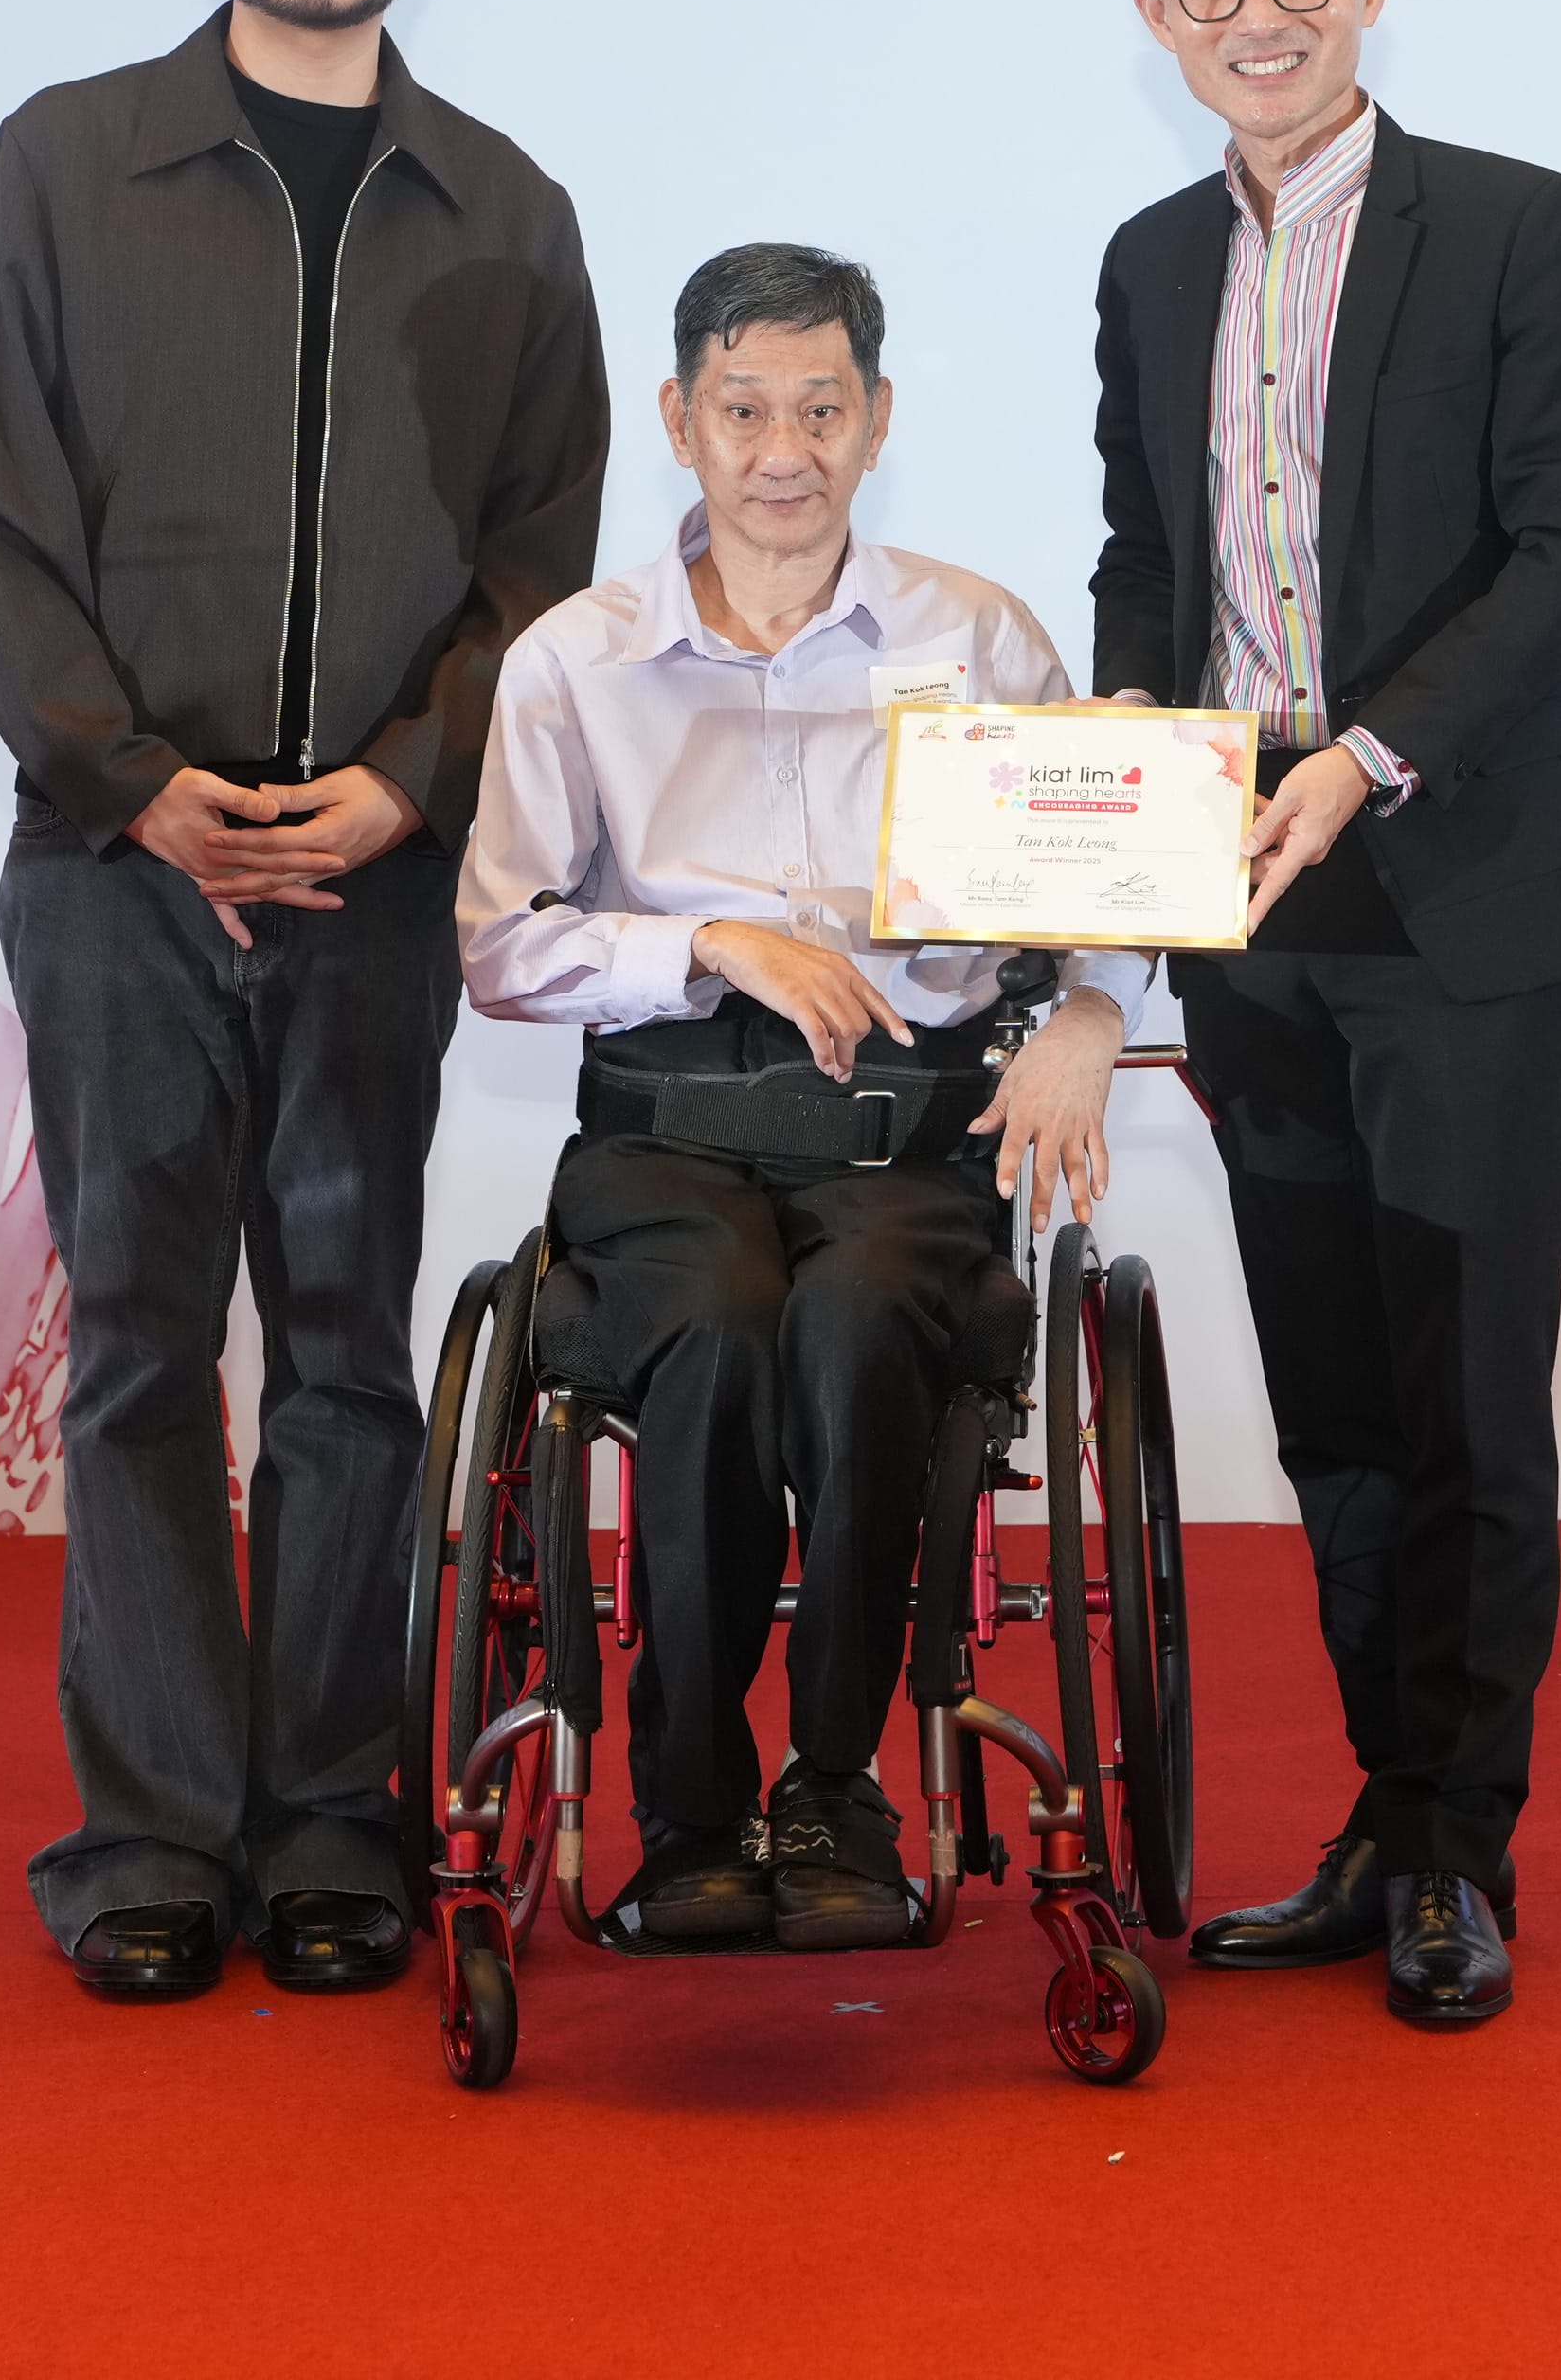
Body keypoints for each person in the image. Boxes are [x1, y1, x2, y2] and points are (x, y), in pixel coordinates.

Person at [0, 0, 607, 2005]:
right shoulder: (66, 164)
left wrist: (410, 781)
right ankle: (146, 1834)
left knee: (342, 1353)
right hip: (122, 874)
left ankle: (331, 1816)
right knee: (136, 1350)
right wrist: (137, 785)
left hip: (375, 880)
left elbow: (545, 565)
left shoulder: (507, 210)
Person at [1086, 0, 1561, 2031]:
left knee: (1465, 1400)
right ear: (1156, 15)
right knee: (1328, 1404)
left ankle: (1458, 1851)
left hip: (1465, 903)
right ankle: (1384, 1809)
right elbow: (1148, 559)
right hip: (1251, 918)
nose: (1260, 17)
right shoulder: (1145, 260)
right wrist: (1125, 809)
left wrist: (1361, 752)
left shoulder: (1517, 228)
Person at [459, 243, 1139, 1945]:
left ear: (879, 420)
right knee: (710, 1328)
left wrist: (1095, 1013)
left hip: (905, 1132)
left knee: (850, 1334)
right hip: (667, 1126)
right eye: (745, 408)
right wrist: (711, 947)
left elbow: (1111, 875)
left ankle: (837, 1793)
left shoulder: (975, 635)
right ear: (682, 422)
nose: (785, 448)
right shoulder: (577, 658)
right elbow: (499, 946)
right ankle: (687, 1813)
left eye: (822, 408)